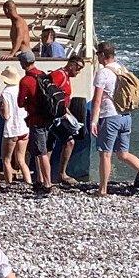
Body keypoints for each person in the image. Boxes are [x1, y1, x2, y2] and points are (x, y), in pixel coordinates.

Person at [90, 42, 139, 197]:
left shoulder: (103, 73)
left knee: (105, 154)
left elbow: (97, 100)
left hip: (110, 116)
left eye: (98, 54)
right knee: (123, 154)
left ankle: (103, 190)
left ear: (103, 55)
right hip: (126, 116)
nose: (97, 57)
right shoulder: (122, 69)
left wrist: (93, 120)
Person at [16, 50, 54, 193]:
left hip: (36, 119)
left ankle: (47, 183)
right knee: (39, 150)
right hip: (47, 118)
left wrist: (27, 104)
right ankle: (40, 179)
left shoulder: (25, 81)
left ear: (23, 63)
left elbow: (20, 102)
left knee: (41, 152)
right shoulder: (43, 75)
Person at [48, 54, 85, 184]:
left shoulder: (66, 77)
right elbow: (52, 95)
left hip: (61, 114)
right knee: (68, 142)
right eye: (79, 68)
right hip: (55, 116)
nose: (79, 71)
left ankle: (49, 175)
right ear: (71, 65)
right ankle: (59, 174)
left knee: (49, 145)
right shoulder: (60, 75)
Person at [0, 66, 32, 187]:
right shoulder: (22, 88)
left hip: (12, 129)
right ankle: (28, 182)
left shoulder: (5, 93)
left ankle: (9, 184)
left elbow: (6, 115)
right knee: (21, 160)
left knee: (6, 159)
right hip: (24, 127)